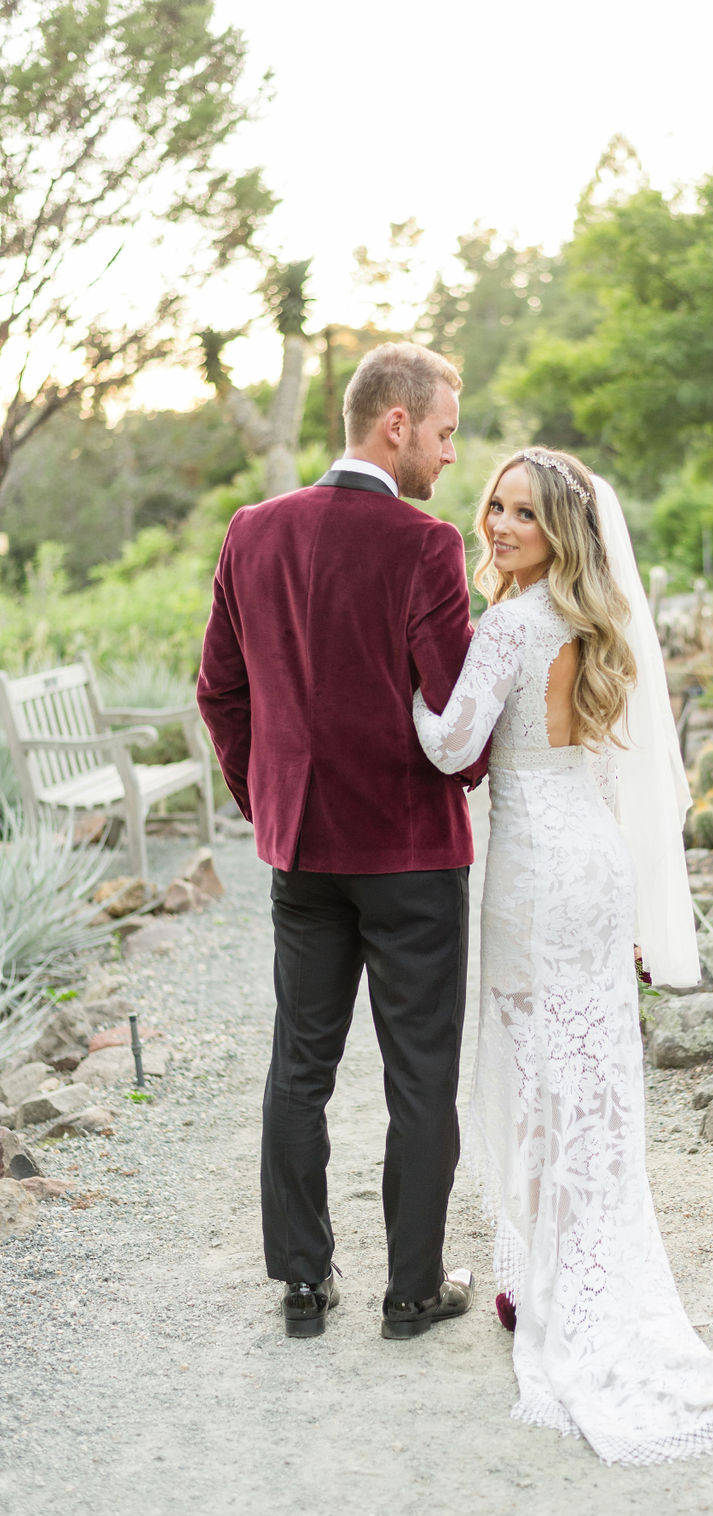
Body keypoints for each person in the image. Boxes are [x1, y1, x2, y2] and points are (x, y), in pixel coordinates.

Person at [413, 448, 713, 1463]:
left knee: (535, 1070)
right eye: (494, 505)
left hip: (536, 871)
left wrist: (408, 696)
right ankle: (552, 1264)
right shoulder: (601, 620)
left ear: (560, 535)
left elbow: (454, 747)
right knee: (588, 1071)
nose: (496, 525)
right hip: (595, 862)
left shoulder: (507, 625)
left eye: (522, 516)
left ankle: (549, 1281)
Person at [197, 342, 481, 1340]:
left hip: (304, 855)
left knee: (298, 1067)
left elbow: (219, 691)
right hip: (411, 857)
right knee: (420, 1075)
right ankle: (412, 1289)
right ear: (394, 422)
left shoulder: (252, 532)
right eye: (444, 431)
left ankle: (304, 1282)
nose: (449, 456)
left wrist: (264, 796)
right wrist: (469, 769)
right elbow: (457, 710)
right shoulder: (424, 543)